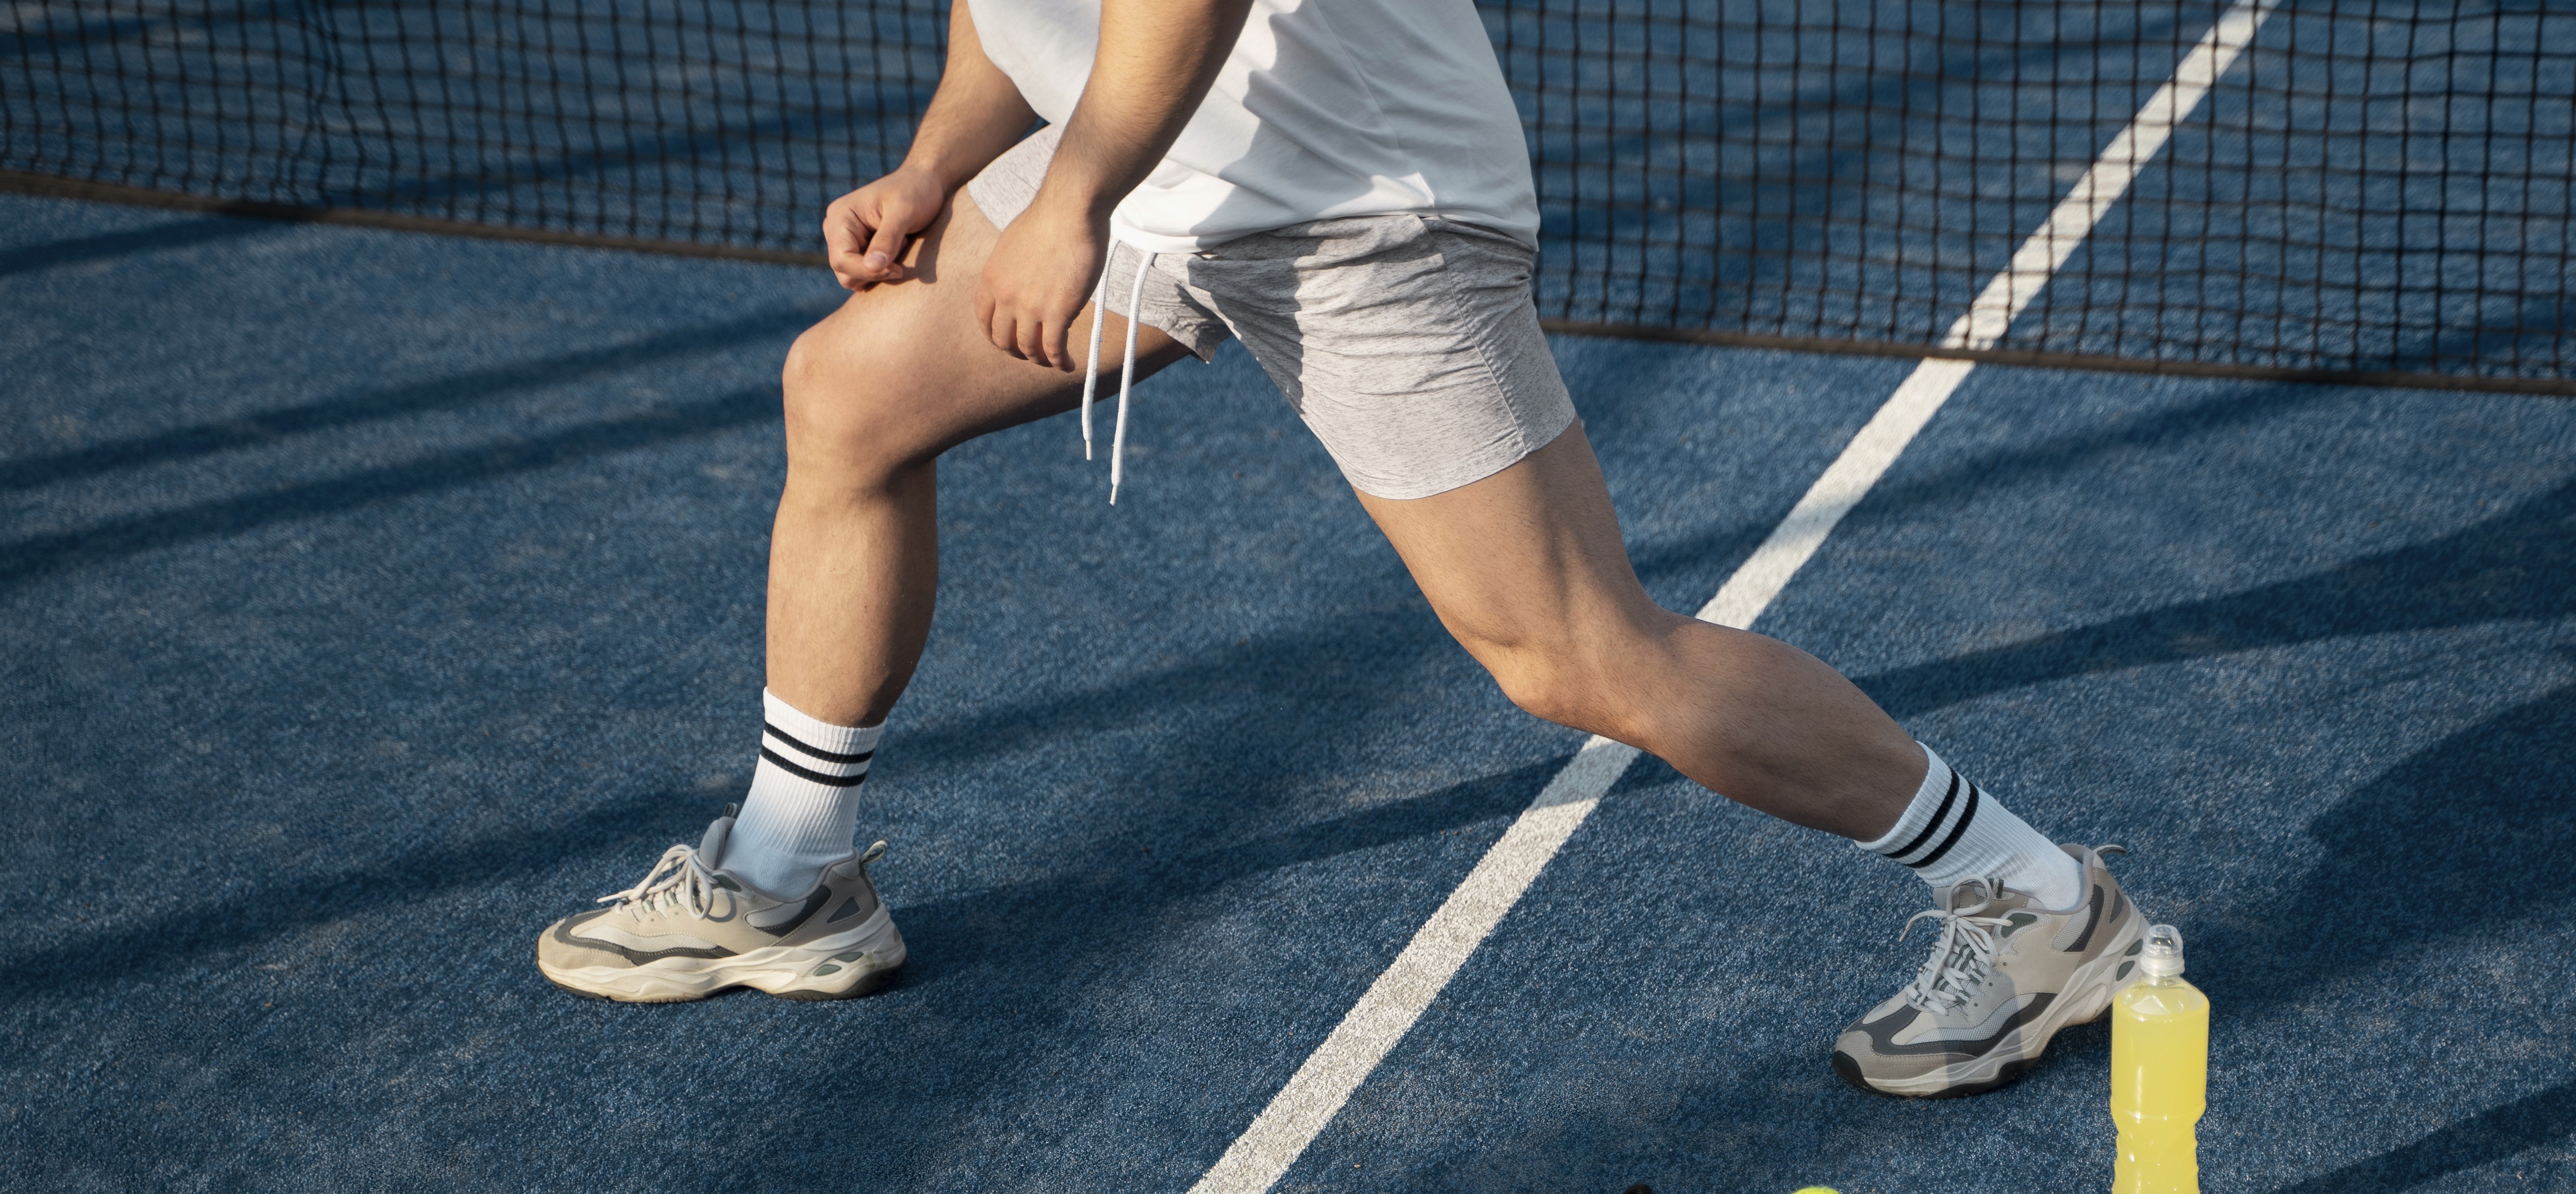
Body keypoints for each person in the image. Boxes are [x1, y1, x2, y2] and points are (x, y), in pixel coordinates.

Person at [534, 0, 2147, 1098]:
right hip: (1175, 179)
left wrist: (1072, 196)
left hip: (1364, 197)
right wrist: (945, 164)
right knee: (849, 397)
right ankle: (792, 875)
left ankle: (2037, 900)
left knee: (1572, 653)